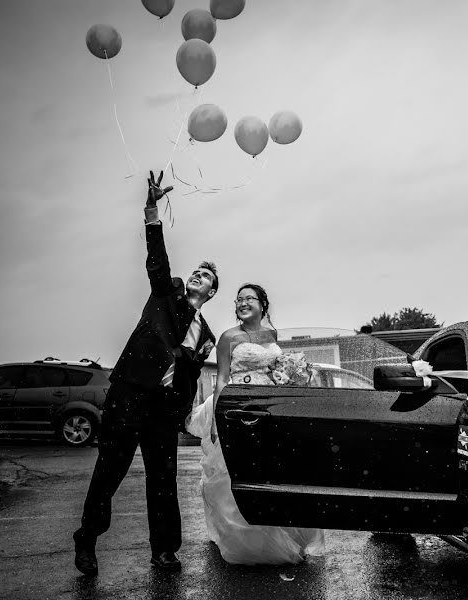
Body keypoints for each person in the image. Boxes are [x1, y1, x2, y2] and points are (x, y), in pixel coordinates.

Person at [73, 170, 218, 575]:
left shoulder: (204, 334)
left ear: (212, 291)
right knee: (110, 470)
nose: (196, 276)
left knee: (163, 478)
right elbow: (158, 258)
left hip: (163, 409)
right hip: (130, 392)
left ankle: (165, 549)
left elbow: (188, 378)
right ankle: (87, 538)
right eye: (197, 271)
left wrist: (182, 414)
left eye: (205, 277)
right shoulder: (166, 290)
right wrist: (151, 210)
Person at [185, 283, 324, 564]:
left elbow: (276, 369)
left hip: (269, 408)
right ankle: (246, 542)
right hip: (238, 406)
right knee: (231, 473)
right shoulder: (229, 337)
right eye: (239, 299)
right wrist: (216, 422)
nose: (242, 302)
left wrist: (293, 375)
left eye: (249, 298)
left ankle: (283, 532)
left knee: (273, 472)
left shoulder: (270, 334)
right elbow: (222, 378)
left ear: (262, 304)